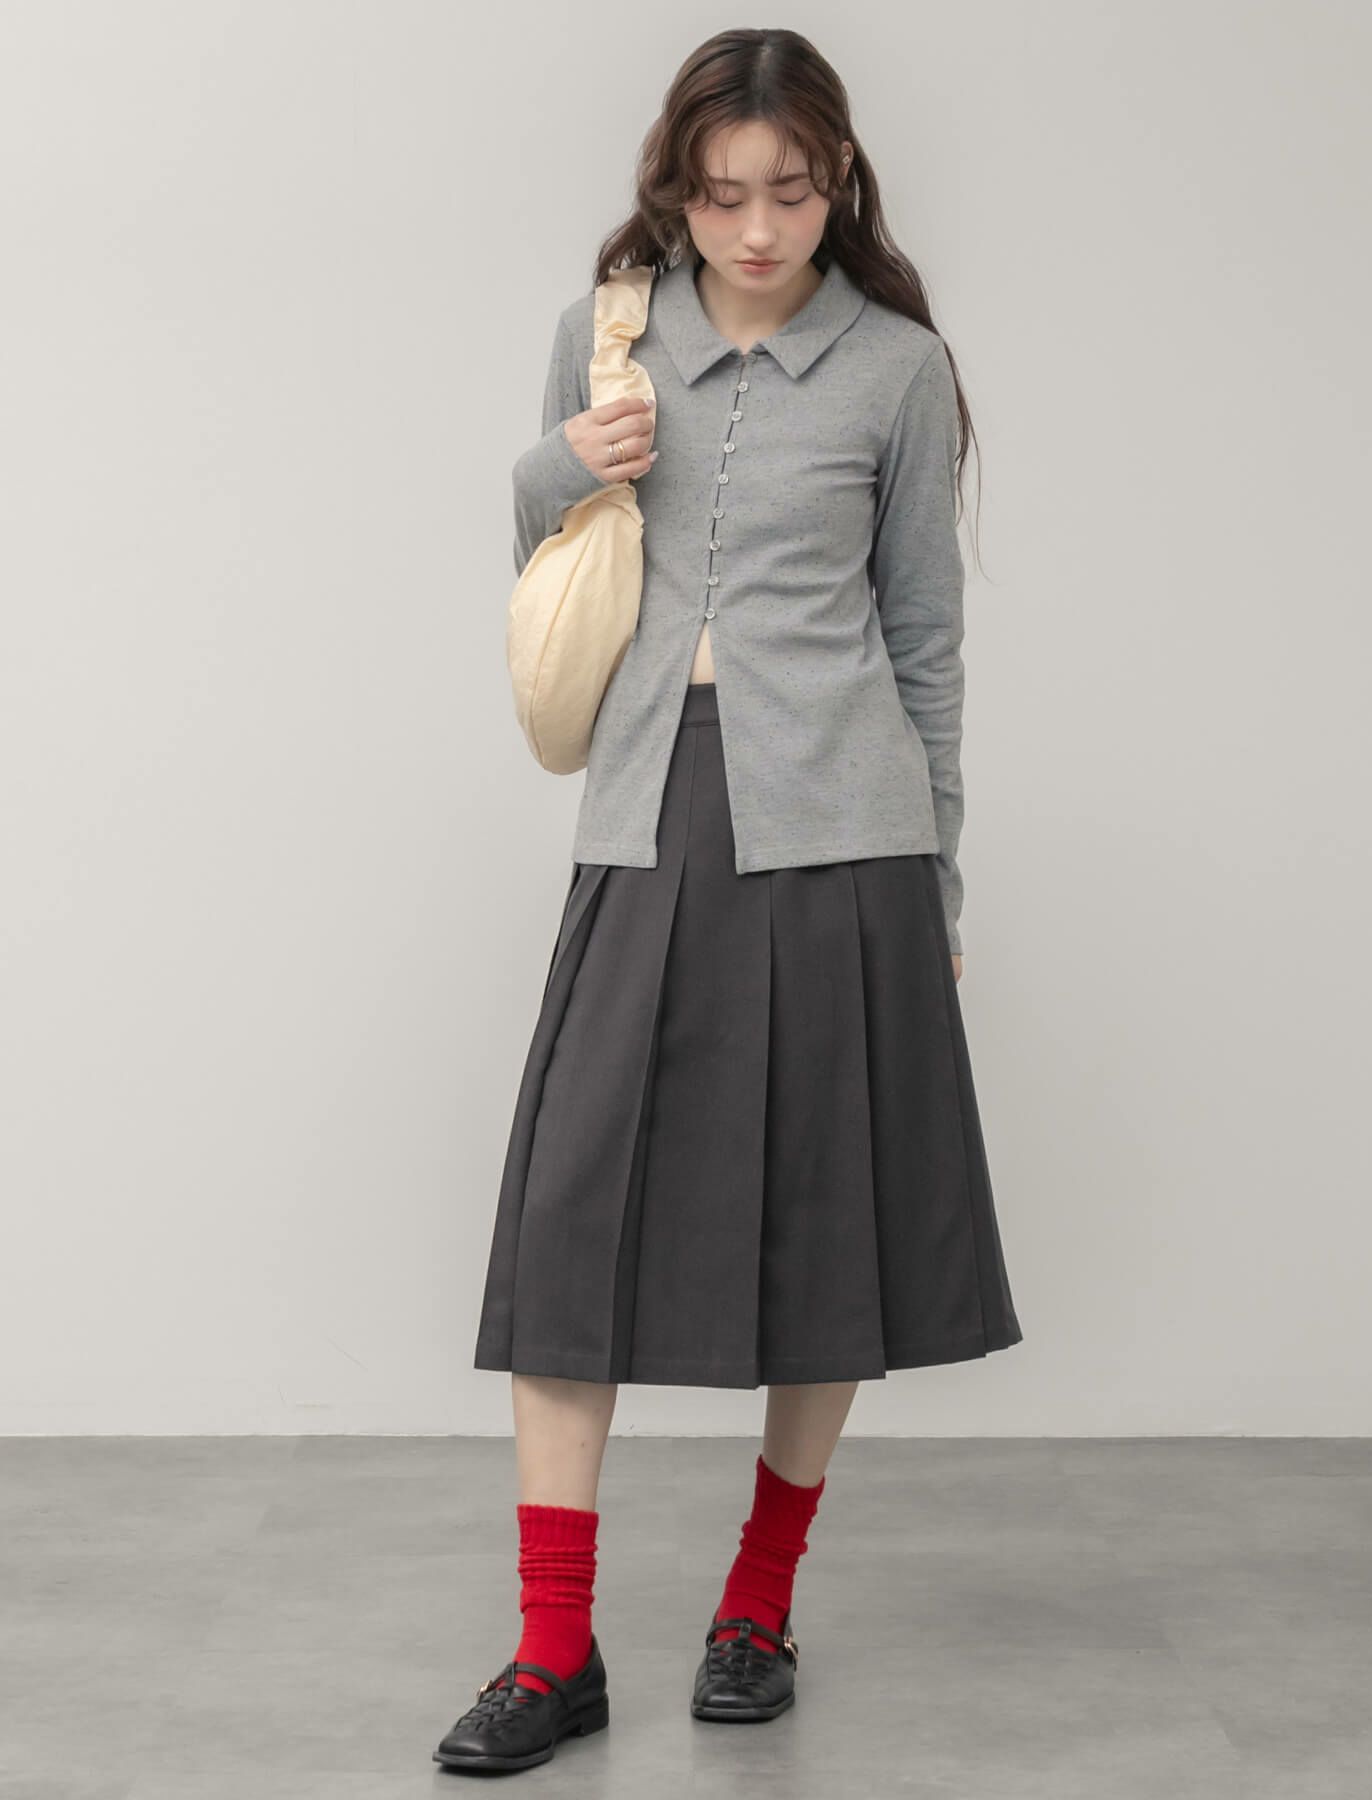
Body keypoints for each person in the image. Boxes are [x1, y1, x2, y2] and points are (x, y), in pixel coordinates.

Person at [434, 25, 1023, 1775]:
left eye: (789, 191)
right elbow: (540, 554)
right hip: (644, 816)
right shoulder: (609, 331)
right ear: (674, 194)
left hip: (846, 833)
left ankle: (758, 1608)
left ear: (838, 183)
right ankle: (553, 1651)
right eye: (719, 196)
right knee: (572, 1224)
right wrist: (567, 459)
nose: (756, 229)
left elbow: (927, 649)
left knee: (822, 1225)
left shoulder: (898, 369)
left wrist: (940, 883)